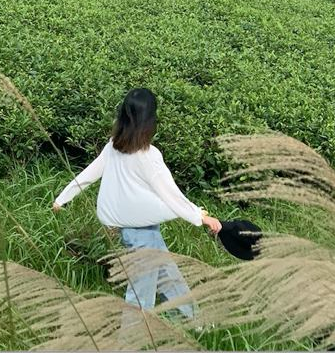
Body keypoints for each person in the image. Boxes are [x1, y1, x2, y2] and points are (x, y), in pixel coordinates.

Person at [52, 87, 221, 322]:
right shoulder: (148, 155)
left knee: (169, 278)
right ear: (150, 121)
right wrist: (200, 217)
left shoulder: (114, 146)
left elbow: (89, 174)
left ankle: (196, 324)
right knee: (140, 298)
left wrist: (62, 198)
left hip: (137, 232)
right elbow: (171, 194)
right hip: (141, 236)